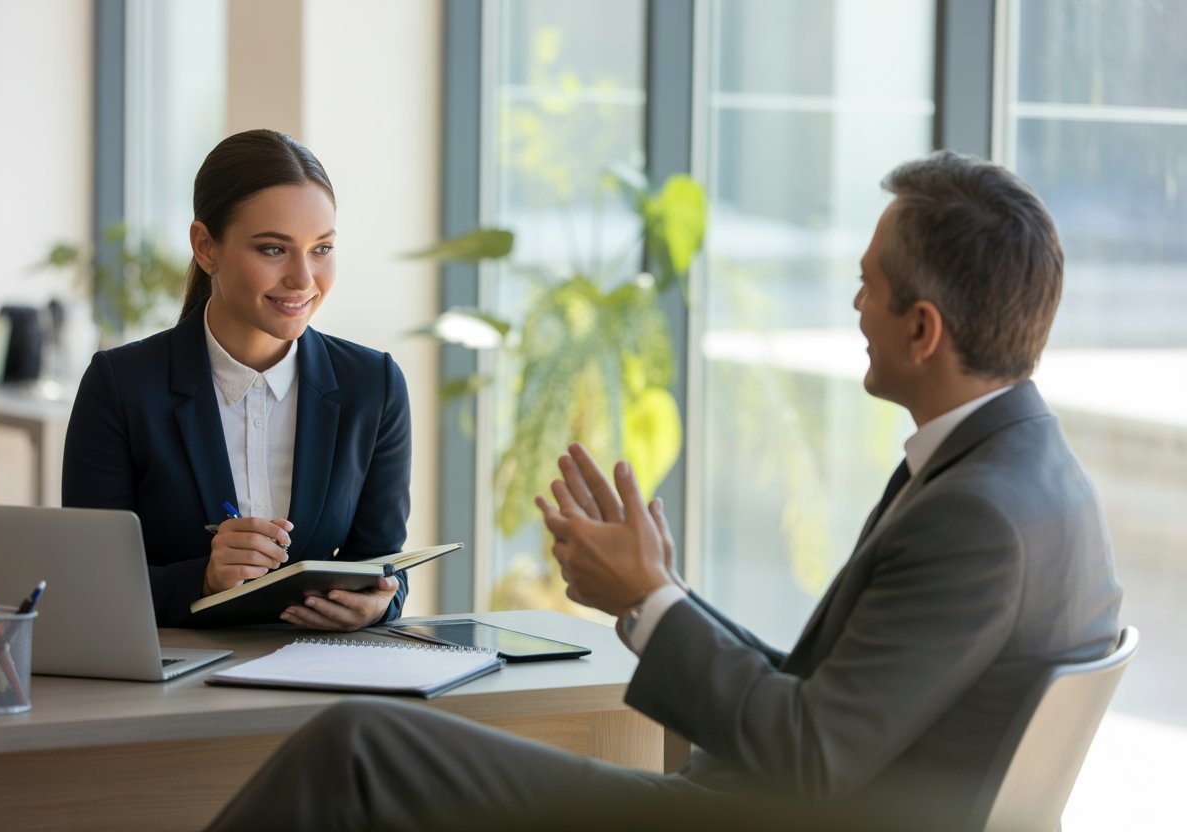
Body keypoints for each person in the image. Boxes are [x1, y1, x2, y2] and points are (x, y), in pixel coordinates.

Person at [205, 150, 1122, 831]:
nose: (853, 309)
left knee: (359, 745)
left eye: (867, 287)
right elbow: (823, 701)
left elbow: (808, 755)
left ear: (922, 329)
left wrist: (645, 601)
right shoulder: (1027, 477)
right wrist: (667, 596)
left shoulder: (977, 517)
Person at [62, 129, 412, 631]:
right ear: (206, 247)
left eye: (322, 248)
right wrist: (203, 581)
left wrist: (379, 602)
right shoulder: (120, 386)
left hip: (322, 676)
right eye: (273, 249)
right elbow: (87, 585)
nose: (303, 279)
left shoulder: (372, 386)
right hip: (168, 684)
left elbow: (383, 566)